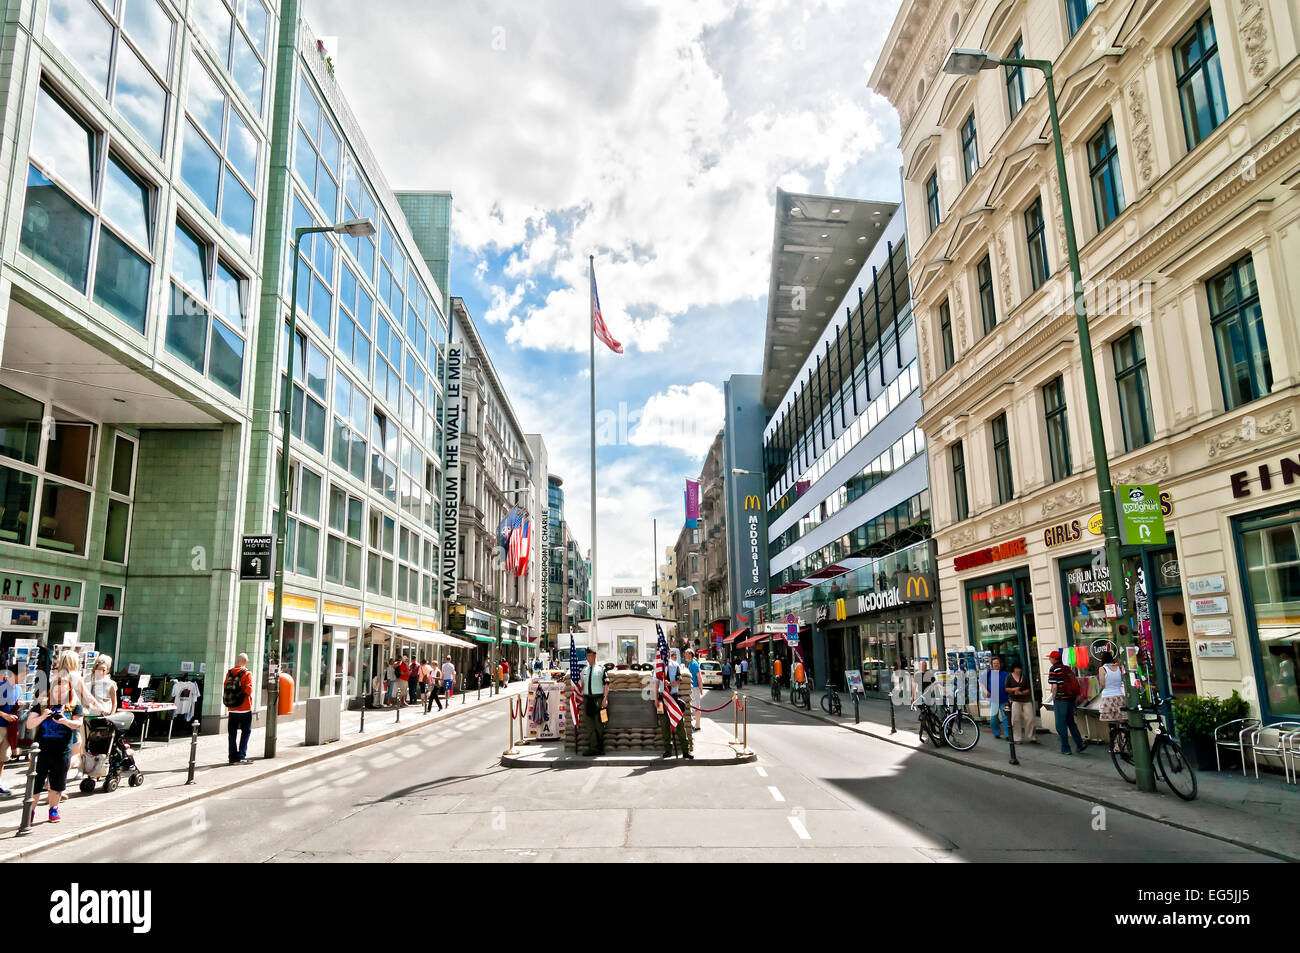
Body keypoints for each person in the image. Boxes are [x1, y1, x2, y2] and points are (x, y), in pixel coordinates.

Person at [25, 685, 83, 824]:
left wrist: (65, 721)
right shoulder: (42, 705)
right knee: (36, 782)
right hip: (41, 750)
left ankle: (53, 810)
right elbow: (29, 725)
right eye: (57, 690)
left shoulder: (74, 706)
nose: (60, 693)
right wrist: (44, 716)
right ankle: (30, 813)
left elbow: (78, 724)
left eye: (64, 690)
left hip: (62, 750)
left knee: (57, 782)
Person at [1047, 650, 1086, 754]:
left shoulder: (1053, 669)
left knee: (1061, 724)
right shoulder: (1067, 668)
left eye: (1051, 658)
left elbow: (1054, 686)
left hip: (1061, 700)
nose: (1050, 659)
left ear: (1055, 659)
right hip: (1071, 698)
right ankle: (1080, 743)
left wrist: (1054, 698)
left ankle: (1066, 748)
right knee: (1071, 722)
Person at [658, 650, 692, 759]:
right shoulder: (658, 666)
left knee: (680, 725)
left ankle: (686, 751)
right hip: (662, 698)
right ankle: (668, 750)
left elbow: (679, 681)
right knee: (664, 726)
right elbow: (655, 683)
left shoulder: (675, 665)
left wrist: (670, 684)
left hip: (673, 697)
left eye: (666, 653)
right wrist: (655, 699)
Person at [223, 652, 254, 765]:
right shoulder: (247, 673)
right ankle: (241, 755)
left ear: (237, 661)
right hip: (244, 708)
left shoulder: (229, 672)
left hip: (232, 708)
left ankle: (232, 756)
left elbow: (225, 687)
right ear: (246, 662)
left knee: (232, 733)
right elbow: (248, 690)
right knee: (246, 732)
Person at [578, 648, 608, 756]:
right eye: (587, 656)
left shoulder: (601, 669)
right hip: (588, 699)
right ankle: (593, 748)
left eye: (590, 655)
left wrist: (605, 698)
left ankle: (600, 748)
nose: (588, 658)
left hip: (598, 699)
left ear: (595, 656)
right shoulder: (584, 670)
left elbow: (606, 684)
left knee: (599, 724)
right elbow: (581, 684)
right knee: (590, 725)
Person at [1097, 651, 1126, 742]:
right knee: (1121, 722)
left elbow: (1102, 684)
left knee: (1112, 724)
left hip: (1108, 697)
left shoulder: (1102, 669)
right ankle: (1124, 743)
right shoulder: (1119, 667)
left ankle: (1116, 745)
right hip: (1119, 696)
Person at [0, 668, 20, 796]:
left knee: (2, 759)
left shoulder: (19, 689)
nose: (25, 677)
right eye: (23, 674)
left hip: (9, 729)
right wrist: (4, 715)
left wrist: (19, 706)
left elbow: (13, 706)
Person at [1005, 662, 1036, 744]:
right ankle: (1017, 738)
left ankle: (1031, 737)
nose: (1018, 670)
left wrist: (1022, 693)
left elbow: (1028, 689)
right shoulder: (1009, 677)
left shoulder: (1024, 677)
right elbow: (1007, 688)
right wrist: (1014, 690)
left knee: (1030, 718)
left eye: (1019, 668)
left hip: (1026, 699)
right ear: (1013, 669)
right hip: (1015, 700)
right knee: (1015, 719)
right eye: (1016, 668)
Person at [981, 656, 1009, 739]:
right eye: (994, 663)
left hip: (1004, 699)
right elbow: (981, 683)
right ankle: (996, 732)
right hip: (993, 699)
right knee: (994, 718)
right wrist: (986, 692)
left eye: (998, 663)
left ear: (1000, 664)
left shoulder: (1005, 674)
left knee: (1005, 718)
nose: (996, 665)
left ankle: (1007, 735)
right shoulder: (988, 673)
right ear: (992, 665)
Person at [685, 649, 702, 731]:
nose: (685, 656)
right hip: (693, 688)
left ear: (690, 655)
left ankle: (698, 725)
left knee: (697, 706)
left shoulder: (694, 664)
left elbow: (699, 676)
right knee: (694, 706)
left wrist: (701, 688)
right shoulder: (691, 664)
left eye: (686, 654)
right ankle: (696, 724)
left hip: (695, 687)